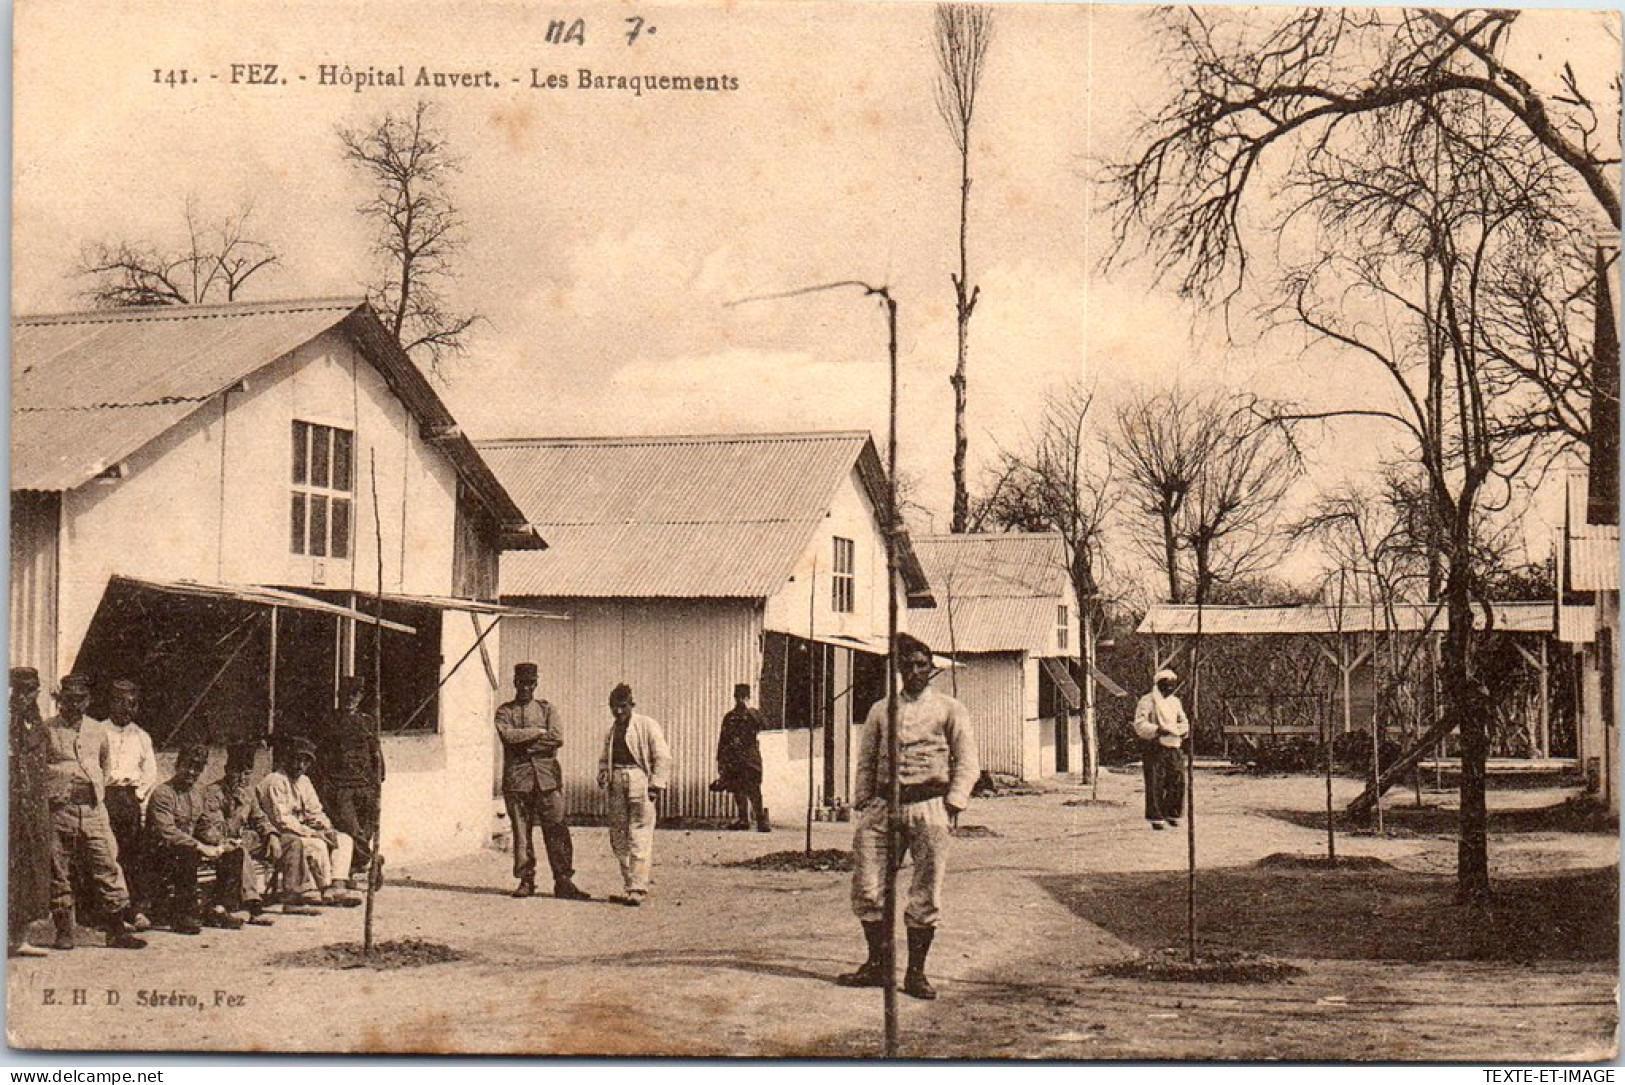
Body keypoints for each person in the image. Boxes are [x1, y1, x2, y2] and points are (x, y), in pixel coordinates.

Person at [837, 633, 978, 1001]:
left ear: (931, 669)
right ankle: (877, 964)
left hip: (930, 805)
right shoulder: (881, 710)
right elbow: (866, 760)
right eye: (907, 665)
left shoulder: (949, 708)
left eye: (921, 665)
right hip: (884, 807)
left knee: (926, 891)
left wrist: (953, 804)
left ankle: (916, 972)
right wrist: (864, 802)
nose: (914, 672)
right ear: (898, 669)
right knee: (868, 886)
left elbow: (967, 762)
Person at [43, 675, 146, 950]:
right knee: (58, 867)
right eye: (68, 699)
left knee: (107, 863)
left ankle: (116, 930)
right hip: (60, 810)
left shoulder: (97, 731)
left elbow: (104, 765)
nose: (73, 705)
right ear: (60, 700)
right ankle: (64, 930)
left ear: (87, 701)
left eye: (80, 699)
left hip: (92, 809)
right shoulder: (47, 730)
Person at [496, 662, 589, 900]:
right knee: (521, 832)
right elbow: (508, 736)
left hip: (547, 780)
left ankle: (563, 881)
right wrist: (538, 732)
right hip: (518, 782)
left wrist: (525, 747)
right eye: (521, 683)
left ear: (536, 683)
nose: (526, 687)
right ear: (514, 683)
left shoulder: (548, 709)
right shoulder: (505, 711)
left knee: (557, 828)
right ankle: (526, 880)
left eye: (530, 683)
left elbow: (557, 737)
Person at [144, 744, 241, 934]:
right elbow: (167, 832)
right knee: (187, 852)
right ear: (178, 765)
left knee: (233, 853)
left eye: (197, 768)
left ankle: (218, 908)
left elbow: (204, 825)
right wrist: (200, 846)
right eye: (188, 766)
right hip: (159, 852)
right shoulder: (163, 793)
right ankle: (183, 914)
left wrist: (220, 842)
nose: (191, 772)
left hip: (187, 849)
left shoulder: (197, 793)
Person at [255, 736, 360, 909]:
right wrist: (313, 833)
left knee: (343, 839)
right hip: (281, 835)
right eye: (297, 760)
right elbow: (282, 820)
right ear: (287, 758)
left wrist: (327, 828)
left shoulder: (304, 781)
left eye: (306, 762)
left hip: (303, 830)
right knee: (316, 844)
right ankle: (325, 887)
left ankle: (337, 885)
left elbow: (315, 810)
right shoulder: (274, 781)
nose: (301, 766)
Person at [596, 684, 671, 907]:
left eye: (623, 707)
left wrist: (655, 784)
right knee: (618, 835)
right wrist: (603, 774)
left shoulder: (646, 725)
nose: (618, 712)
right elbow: (604, 758)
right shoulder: (612, 730)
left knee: (639, 832)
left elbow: (662, 756)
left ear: (631, 704)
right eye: (614, 707)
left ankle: (638, 887)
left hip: (639, 779)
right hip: (617, 779)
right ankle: (630, 884)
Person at [317, 676, 385, 892]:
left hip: (365, 785)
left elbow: (375, 752)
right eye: (345, 695)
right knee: (349, 829)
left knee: (365, 830)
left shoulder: (368, 721)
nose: (350, 699)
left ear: (361, 696)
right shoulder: (330, 720)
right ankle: (372, 859)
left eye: (355, 695)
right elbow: (322, 755)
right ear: (339, 696)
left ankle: (353, 869)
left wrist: (378, 780)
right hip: (340, 786)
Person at [199, 741, 279, 924]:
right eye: (238, 772)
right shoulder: (214, 792)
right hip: (219, 844)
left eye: (248, 773)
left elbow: (260, 818)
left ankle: (296, 894)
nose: (243, 778)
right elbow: (214, 830)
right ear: (227, 770)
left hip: (240, 841)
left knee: (290, 842)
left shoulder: (248, 792)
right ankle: (252, 906)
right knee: (240, 851)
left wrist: (271, 835)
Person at [101, 678, 158, 930]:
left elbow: (150, 771)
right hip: (104, 797)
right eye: (122, 704)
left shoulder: (142, 736)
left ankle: (132, 911)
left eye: (133, 705)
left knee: (130, 855)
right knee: (105, 856)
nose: (128, 710)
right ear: (112, 703)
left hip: (130, 799)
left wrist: (138, 796)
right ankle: (106, 912)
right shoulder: (98, 730)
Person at [9, 668, 53, 956]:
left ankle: (20, 937)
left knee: (30, 871)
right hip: (10, 807)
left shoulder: (38, 726)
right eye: (19, 691)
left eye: (30, 691)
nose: (24, 697)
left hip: (34, 807)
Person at [1132, 669, 1190, 830]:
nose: (1169, 689)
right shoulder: (1147, 701)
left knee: (1177, 780)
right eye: (1166, 685)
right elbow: (1139, 724)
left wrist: (1182, 730)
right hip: (1155, 746)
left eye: (1172, 686)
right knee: (1155, 782)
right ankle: (1156, 817)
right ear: (1158, 685)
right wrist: (1157, 730)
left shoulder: (1175, 702)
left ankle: (1173, 813)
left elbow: (1183, 721)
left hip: (1174, 745)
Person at [716, 683, 769, 832]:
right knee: (738, 789)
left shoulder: (753, 714)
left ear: (748, 698)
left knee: (754, 789)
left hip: (751, 758)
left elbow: (764, 725)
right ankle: (743, 819)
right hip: (735, 758)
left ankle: (760, 821)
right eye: (738, 697)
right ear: (734, 697)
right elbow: (723, 740)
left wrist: (750, 711)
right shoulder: (730, 717)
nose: (740, 700)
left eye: (743, 697)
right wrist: (721, 760)